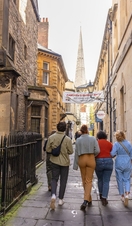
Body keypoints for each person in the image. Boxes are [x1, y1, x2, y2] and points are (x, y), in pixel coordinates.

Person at [46, 121, 73, 210]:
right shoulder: (68, 139)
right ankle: (61, 199)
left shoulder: (51, 137)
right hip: (65, 162)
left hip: (54, 161)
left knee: (54, 179)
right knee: (63, 180)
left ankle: (53, 195)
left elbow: (48, 149)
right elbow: (71, 151)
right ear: (65, 129)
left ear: (57, 128)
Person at [73, 124, 100, 211]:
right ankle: (86, 200)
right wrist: (93, 155)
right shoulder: (93, 138)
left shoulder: (78, 140)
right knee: (89, 180)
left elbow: (76, 153)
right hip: (91, 158)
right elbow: (97, 150)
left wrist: (75, 165)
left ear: (81, 131)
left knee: (84, 180)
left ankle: (88, 199)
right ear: (87, 130)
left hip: (82, 159)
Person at [111, 130, 132, 207]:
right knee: (127, 179)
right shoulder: (129, 144)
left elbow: (112, 154)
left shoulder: (116, 144)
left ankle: (122, 196)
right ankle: (127, 194)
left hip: (119, 162)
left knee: (119, 179)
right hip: (127, 162)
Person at [95, 130, 113, 206]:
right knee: (106, 181)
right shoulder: (109, 143)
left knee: (100, 179)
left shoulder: (96, 143)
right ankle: (104, 198)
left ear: (98, 136)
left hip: (98, 161)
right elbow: (113, 153)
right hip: (108, 161)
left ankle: (100, 194)